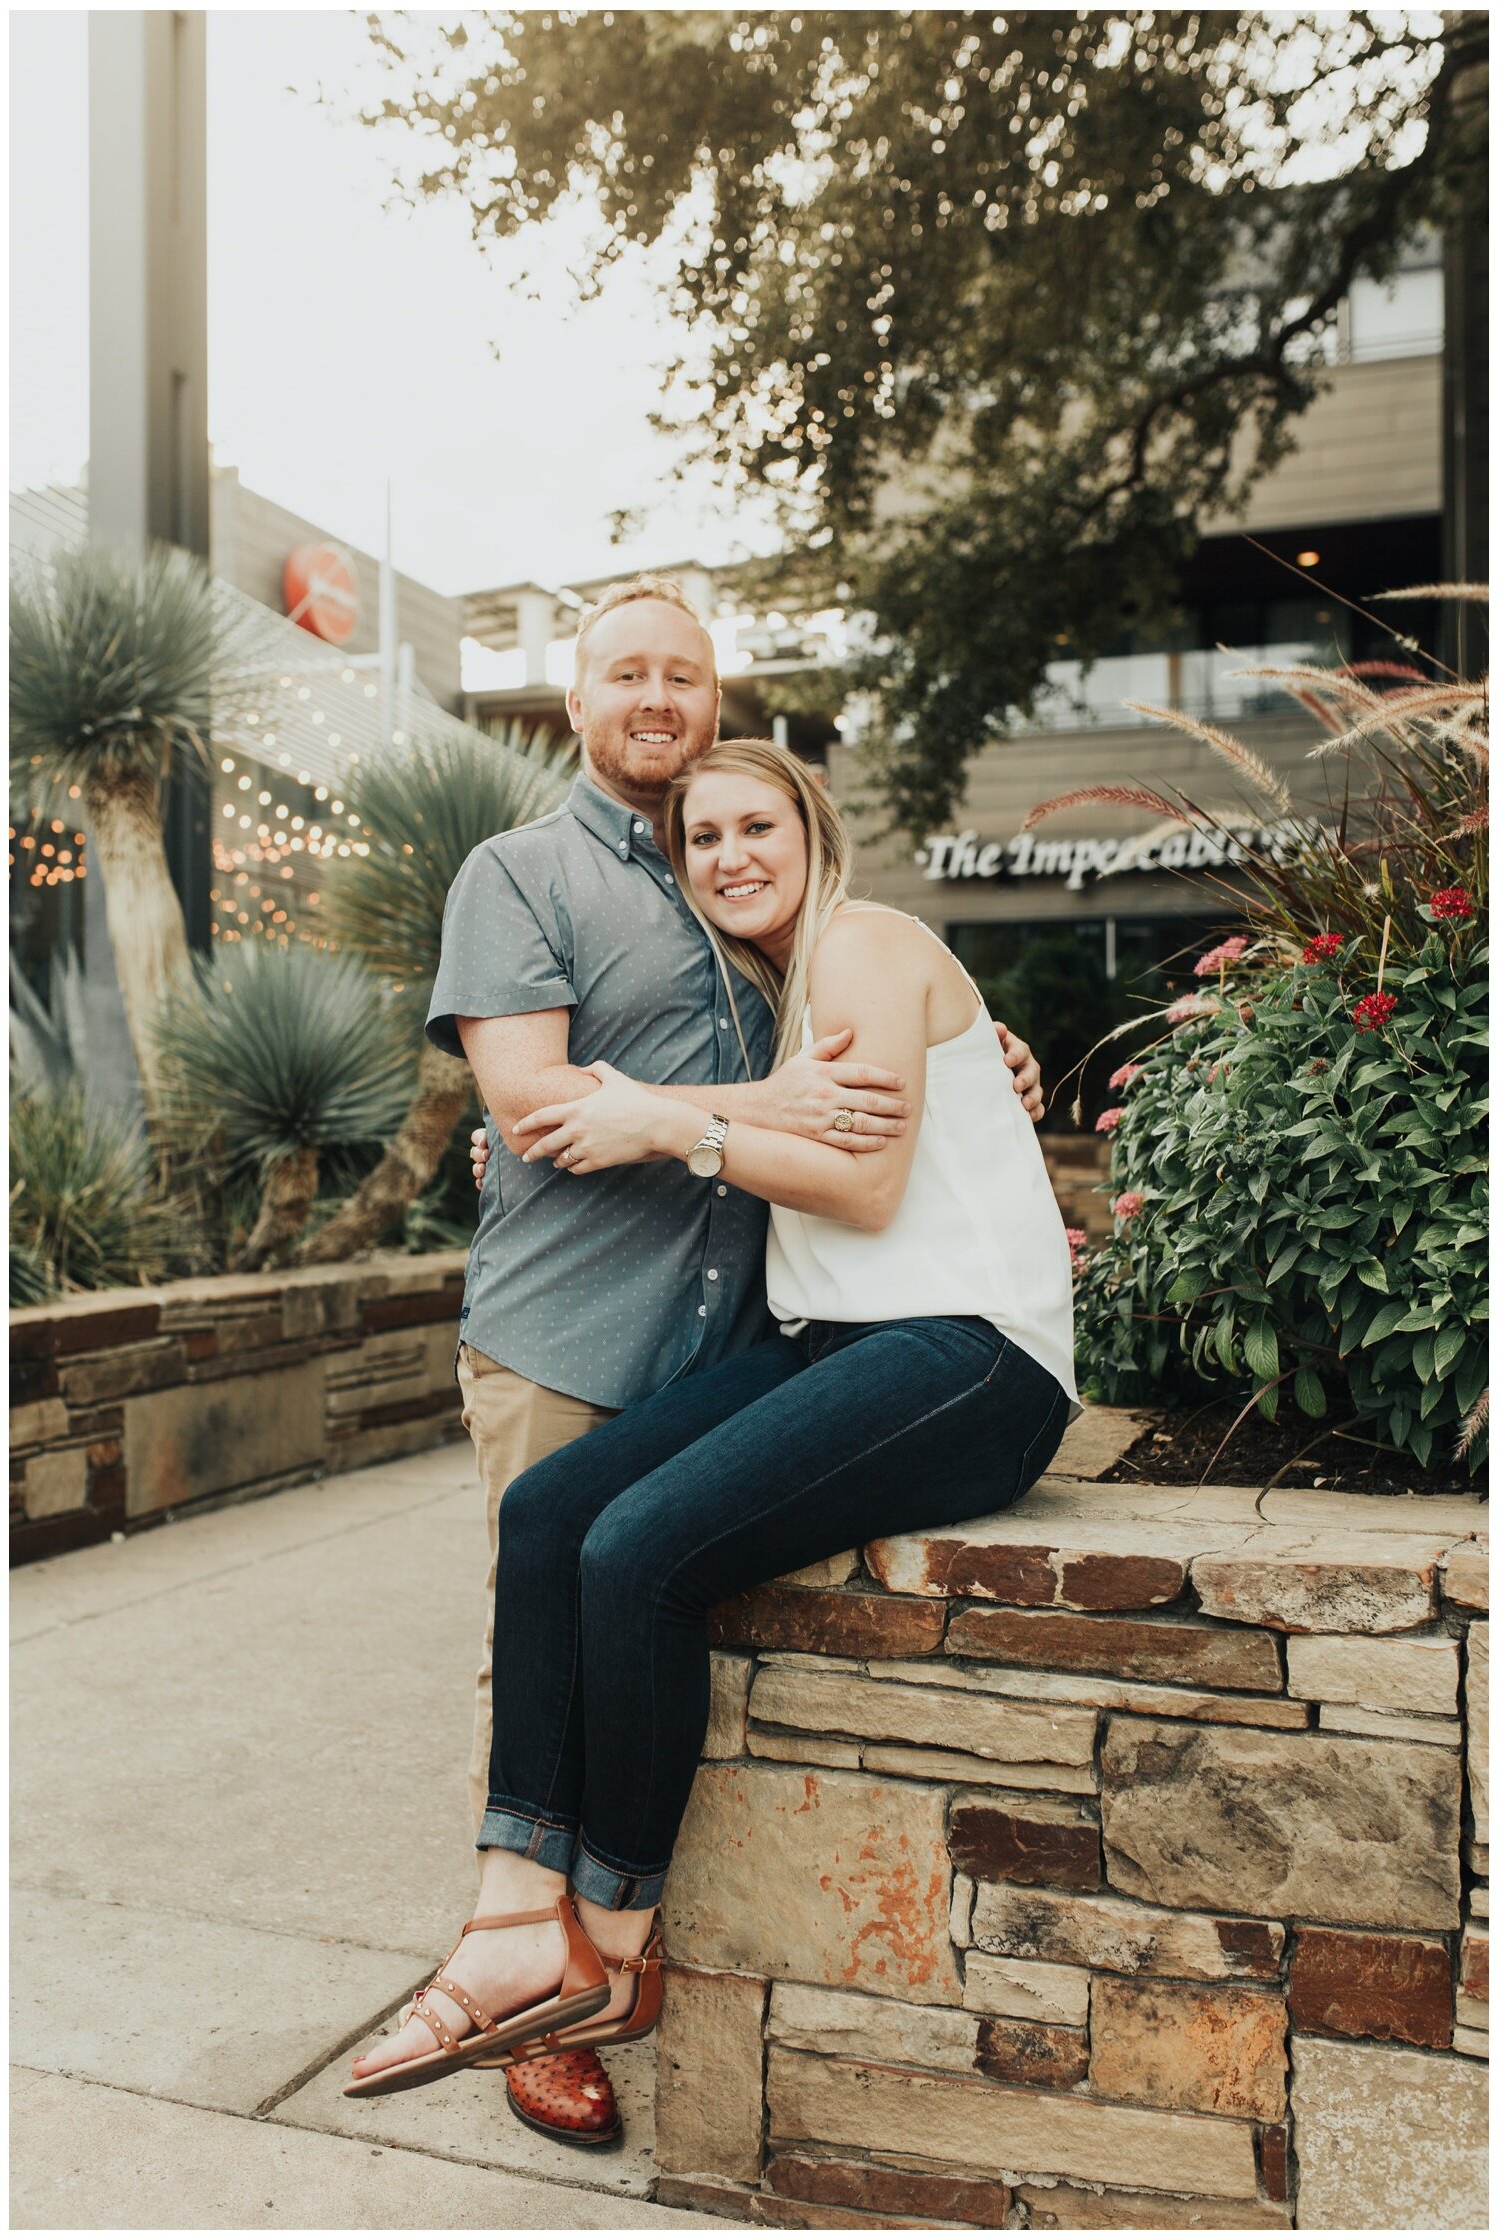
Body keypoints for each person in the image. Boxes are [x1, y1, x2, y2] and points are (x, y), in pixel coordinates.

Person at [354, 575, 1044, 2146]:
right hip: (575, 1331)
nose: (658, 699)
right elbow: (537, 1105)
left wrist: (974, 1056)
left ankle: (602, 1954)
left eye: (686, 675)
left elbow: (870, 1078)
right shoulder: (518, 872)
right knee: (541, 1616)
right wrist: (744, 1111)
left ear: (718, 708)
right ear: (577, 699)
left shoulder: (759, 898)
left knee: (639, 1596)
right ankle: (544, 1991)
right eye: (627, 674)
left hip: (756, 1331)